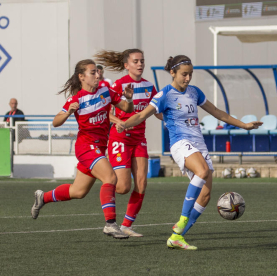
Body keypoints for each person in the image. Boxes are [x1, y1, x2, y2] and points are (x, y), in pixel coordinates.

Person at [115, 55, 262, 250]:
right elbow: (142, 115)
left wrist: (244, 125)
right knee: (201, 171)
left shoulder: (194, 92)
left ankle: (177, 236)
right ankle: (182, 220)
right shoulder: (164, 94)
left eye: (190, 74)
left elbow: (217, 112)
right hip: (180, 143)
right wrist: (124, 124)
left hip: (198, 144)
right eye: (184, 74)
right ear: (173, 73)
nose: (188, 78)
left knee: (206, 195)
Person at [31, 59, 135, 239]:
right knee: (110, 177)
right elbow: (56, 122)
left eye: (97, 72)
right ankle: (110, 224)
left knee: (78, 192)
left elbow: (126, 108)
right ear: (82, 77)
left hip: (99, 148)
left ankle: (43, 197)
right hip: (86, 146)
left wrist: (129, 98)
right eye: (93, 72)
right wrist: (68, 112)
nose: (98, 75)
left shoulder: (106, 91)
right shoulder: (76, 99)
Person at [94, 49, 162, 237]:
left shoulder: (149, 86)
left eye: (142, 61)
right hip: (120, 139)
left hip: (139, 139)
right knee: (123, 187)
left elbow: (157, 111)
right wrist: (119, 123)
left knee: (141, 183)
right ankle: (105, 182)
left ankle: (126, 225)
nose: (140, 64)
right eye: (136, 61)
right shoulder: (118, 85)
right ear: (126, 65)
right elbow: (105, 111)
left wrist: (175, 116)